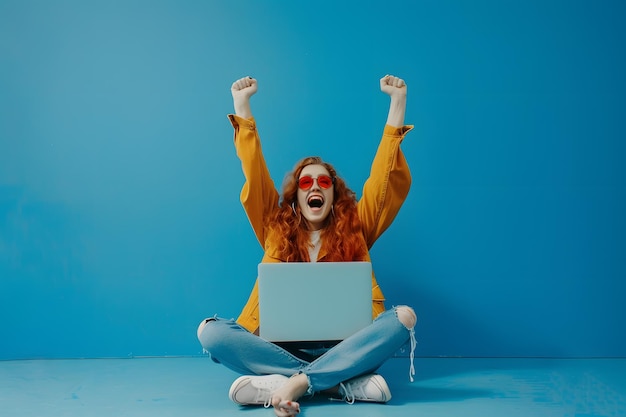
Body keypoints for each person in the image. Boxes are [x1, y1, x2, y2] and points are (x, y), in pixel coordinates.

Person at [197, 74, 417, 417]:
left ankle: (286, 384)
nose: (315, 185)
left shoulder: (357, 226)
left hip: (346, 345)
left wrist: (397, 104)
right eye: (306, 182)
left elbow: (383, 183)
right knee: (210, 333)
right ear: (297, 199)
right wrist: (242, 108)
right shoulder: (274, 226)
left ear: (334, 194)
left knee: (404, 318)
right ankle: (338, 383)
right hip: (280, 346)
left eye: (324, 181)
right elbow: (255, 178)